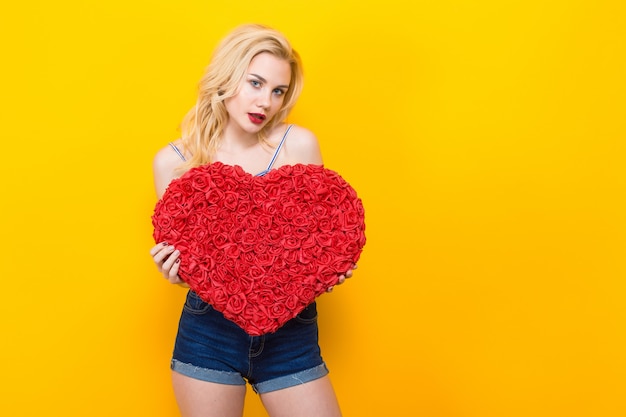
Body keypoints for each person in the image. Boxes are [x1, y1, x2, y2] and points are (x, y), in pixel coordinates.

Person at [149, 24, 355, 417]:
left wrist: (329, 268)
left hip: (292, 337)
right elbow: (189, 264)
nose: (266, 102)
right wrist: (175, 272)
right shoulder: (173, 163)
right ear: (226, 77)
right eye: (256, 83)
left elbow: (318, 242)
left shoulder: (299, 145)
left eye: (278, 91)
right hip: (208, 336)